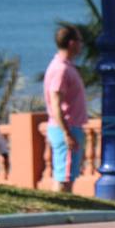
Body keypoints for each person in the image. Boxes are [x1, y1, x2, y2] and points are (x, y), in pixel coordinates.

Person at [43, 25, 88, 192]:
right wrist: (66, 133)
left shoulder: (66, 67)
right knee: (64, 177)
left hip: (71, 128)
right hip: (66, 128)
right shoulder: (60, 69)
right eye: (80, 41)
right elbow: (56, 104)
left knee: (67, 175)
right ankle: (62, 213)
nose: (82, 45)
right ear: (71, 43)